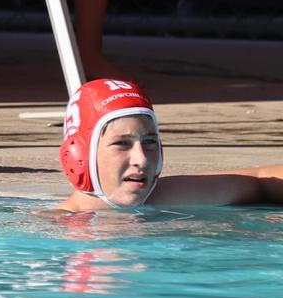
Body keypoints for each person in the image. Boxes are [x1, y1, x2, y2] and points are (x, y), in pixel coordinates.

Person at [56, 79, 283, 211]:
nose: (142, 159)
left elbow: (262, 181)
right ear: (79, 156)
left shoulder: (164, 197)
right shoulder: (56, 231)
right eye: (122, 144)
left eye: (150, 142)